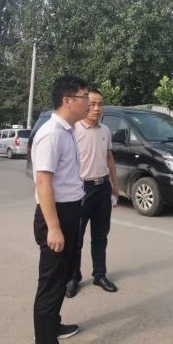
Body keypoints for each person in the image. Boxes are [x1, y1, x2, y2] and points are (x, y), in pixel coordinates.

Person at [31, 75, 90, 344]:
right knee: (51, 284)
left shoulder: (68, 130)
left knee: (62, 275)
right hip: (55, 215)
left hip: (69, 211)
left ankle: (53, 326)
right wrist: (54, 228)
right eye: (84, 97)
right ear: (68, 101)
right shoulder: (52, 134)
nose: (89, 102)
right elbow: (43, 182)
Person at [66, 88, 120, 298]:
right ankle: (73, 277)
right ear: (84, 105)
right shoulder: (74, 130)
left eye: (100, 104)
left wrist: (114, 184)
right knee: (76, 237)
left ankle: (100, 274)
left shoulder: (105, 131)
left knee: (100, 235)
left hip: (102, 187)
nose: (96, 108)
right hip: (81, 189)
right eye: (92, 104)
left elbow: (109, 158)